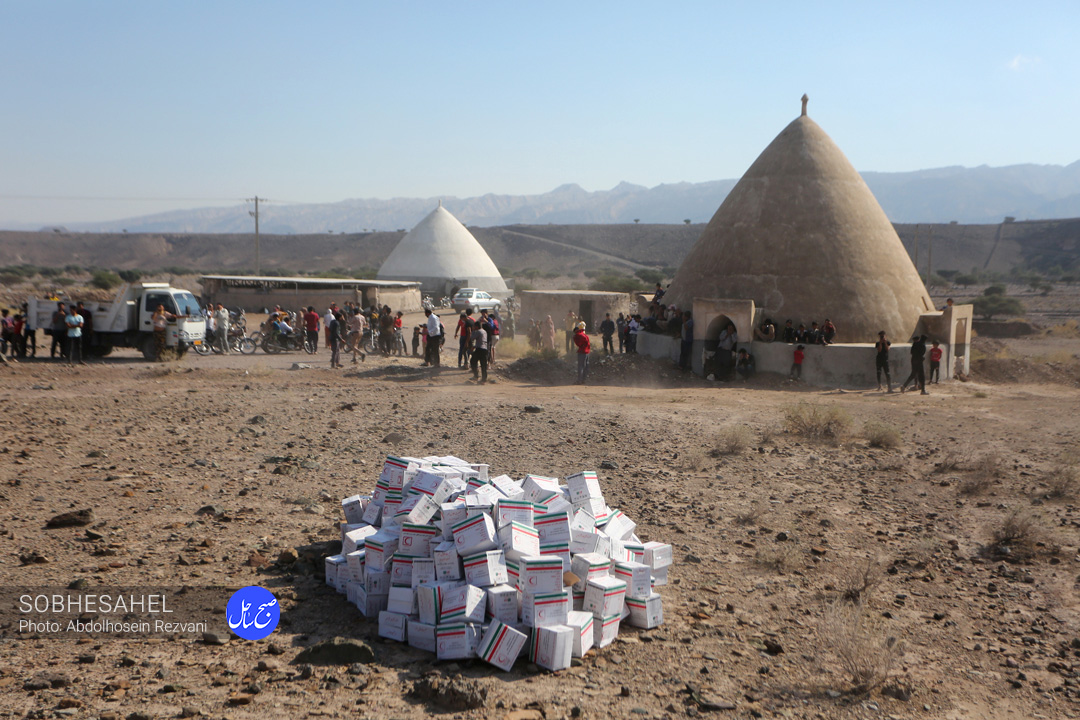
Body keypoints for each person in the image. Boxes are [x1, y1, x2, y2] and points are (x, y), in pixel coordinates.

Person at [470, 316, 489, 383]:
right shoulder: (484, 331)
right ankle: (484, 379)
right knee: (483, 365)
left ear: (477, 326)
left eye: (474, 326)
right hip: (485, 349)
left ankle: (476, 375)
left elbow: (472, 338)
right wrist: (475, 346)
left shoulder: (478, 331)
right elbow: (481, 341)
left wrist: (472, 331)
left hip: (479, 350)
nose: (474, 327)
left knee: (472, 361)